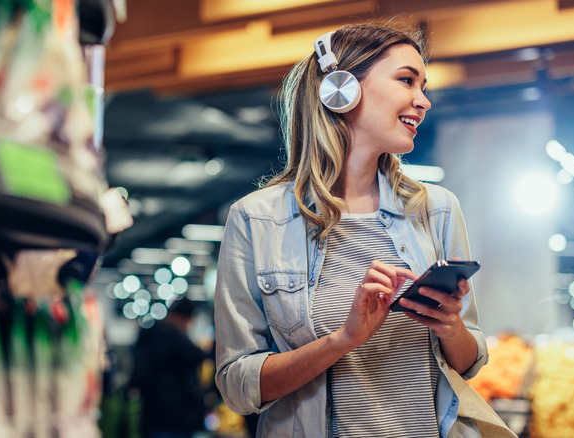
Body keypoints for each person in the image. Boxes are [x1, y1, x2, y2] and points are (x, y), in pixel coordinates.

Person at [213, 23, 489, 437]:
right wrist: (343, 339)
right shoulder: (256, 220)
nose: (424, 101)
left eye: (423, 85)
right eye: (406, 80)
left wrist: (451, 325)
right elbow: (237, 386)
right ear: (341, 89)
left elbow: (469, 364)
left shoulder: (437, 209)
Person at [130, 298, 207, 438]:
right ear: (184, 318)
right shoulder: (172, 334)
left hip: (151, 413)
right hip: (174, 416)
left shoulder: (149, 332)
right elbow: (197, 355)